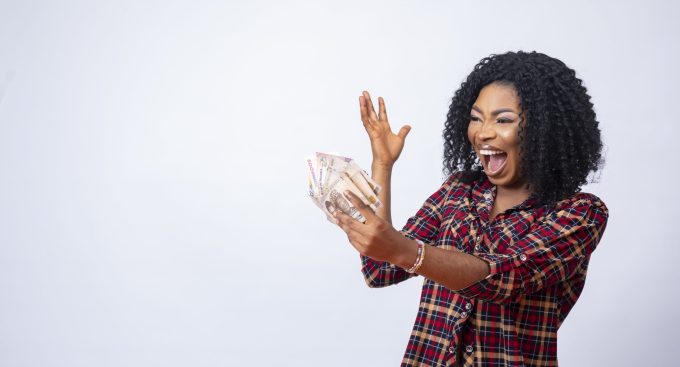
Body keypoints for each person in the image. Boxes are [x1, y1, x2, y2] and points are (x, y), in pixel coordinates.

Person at [332, 51, 609, 367]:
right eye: (476, 118)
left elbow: (503, 278)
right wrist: (382, 165)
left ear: (546, 129)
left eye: (502, 119)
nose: (483, 133)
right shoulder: (458, 190)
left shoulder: (580, 213)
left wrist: (405, 251)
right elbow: (380, 269)